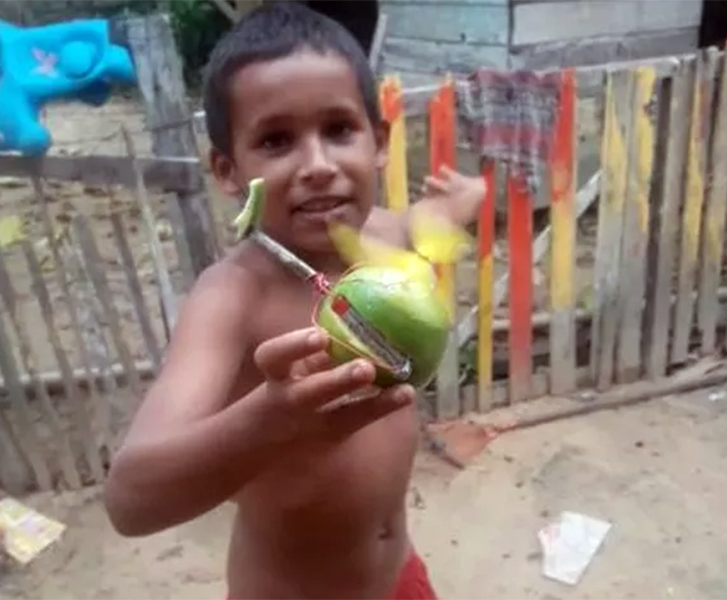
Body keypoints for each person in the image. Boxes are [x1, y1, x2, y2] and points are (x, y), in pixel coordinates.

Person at [103, 2, 485, 599]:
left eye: (338, 130)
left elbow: (427, 219)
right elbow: (130, 501)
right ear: (229, 171)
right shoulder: (234, 297)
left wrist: (468, 196)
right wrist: (271, 421)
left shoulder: (379, 235)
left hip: (399, 578)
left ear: (378, 142)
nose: (318, 166)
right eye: (277, 140)